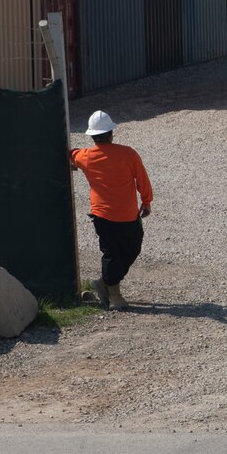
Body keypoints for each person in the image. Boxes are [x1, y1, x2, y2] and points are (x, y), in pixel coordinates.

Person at [69, 110, 153, 309]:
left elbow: (71, 154)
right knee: (130, 249)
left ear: (92, 136)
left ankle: (103, 283)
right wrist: (146, 201)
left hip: (102, 216)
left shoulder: (86, 157)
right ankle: (114, 295)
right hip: (128, 215)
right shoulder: (128, 154)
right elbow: (142, 179)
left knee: (111, 253)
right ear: (111, 133)